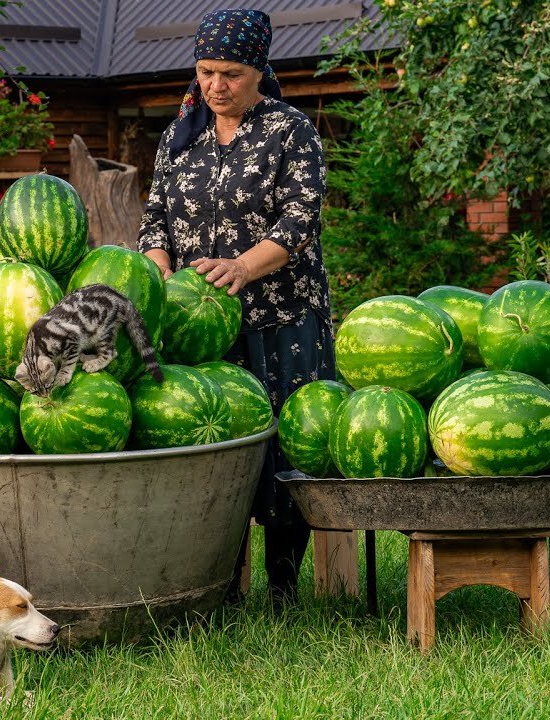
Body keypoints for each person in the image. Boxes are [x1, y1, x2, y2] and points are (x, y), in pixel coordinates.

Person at [137, 8, 333, 606]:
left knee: (284, 448)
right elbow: (153, 225)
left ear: (259, 71)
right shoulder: (181, 134)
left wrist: (243, 267)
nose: (215, 85)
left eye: (231, 73)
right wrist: (159, 273)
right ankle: (215, 586)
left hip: (281, 318)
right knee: (212, 449)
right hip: (201, 331)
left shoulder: (290, 130)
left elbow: (300, 219)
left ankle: (283, 590)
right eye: (205, 71)